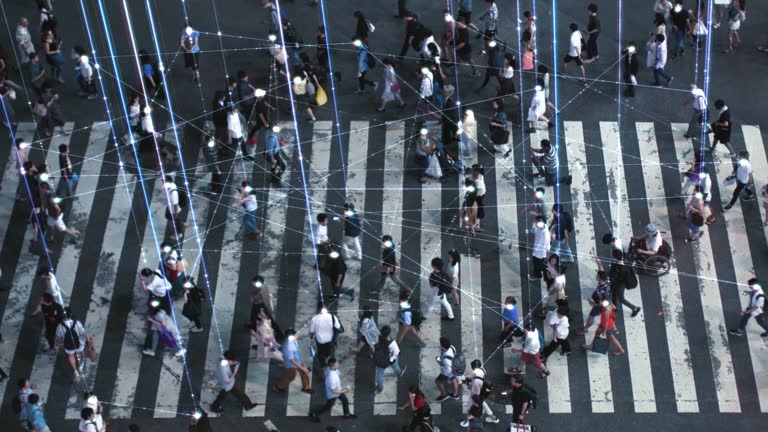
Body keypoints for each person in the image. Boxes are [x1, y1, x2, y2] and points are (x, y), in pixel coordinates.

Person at [308, 357, 357, 422]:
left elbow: (325, 375)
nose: (338, 364)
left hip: (338, 390)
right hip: (333, 394)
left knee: (345, 401)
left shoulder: (329, 369)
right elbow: (333, 391)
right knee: (328, 406)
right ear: (333, 367)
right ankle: (314, 414)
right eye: (336, 364)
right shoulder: (332, 377)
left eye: (337, 362)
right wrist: (345, 390)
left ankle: (346, 415)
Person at [599, 249, 641, 317]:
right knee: (614, 292)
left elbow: (616, 275)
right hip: (618, 281)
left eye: (613, 256)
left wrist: (605, 274)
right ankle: (614, 306)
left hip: (622, 282)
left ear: (615, 257)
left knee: (621, 298)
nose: (611, 257)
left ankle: (635, 308)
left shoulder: (621, 267)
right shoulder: (620, 261)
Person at [273, 328, 312, 393]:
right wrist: (302, 368)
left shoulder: (293, 340)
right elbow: (292, 361)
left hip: (298, 360)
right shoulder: (288, 346)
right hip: (292, 364)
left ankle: (306, 387)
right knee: (291, 377)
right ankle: (278, 387)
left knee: (304, 374)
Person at [461, 360, 499, 426]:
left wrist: (468, 385)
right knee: (483, 403)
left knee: (470, 405)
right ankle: (493, 418)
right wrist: (470, 379)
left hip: (478, 394)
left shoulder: (476, 382)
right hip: (484, 392)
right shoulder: (483, 369)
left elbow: (474, 395)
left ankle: (467, 421)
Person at [576, 270, 612, 335]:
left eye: (597, 276)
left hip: (599, 306)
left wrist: (594, 304)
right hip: (598, 301)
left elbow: (604, 303)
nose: (596, 276)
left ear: (600, 278)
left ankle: (585, 329)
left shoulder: (604, 290)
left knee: (591, 316)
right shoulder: (602, 283)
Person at [373, 325, 406, 392]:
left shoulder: (378, 338)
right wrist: (391, 359)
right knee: (395, 366)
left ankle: (380, 387)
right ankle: (400, 373)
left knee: (380, 374)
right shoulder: (392, 343)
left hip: (380, 360)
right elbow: (396, 352)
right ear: (389, 333)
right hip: (389, 359)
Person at [57, 307, 86, 377]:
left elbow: (59, 336)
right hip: (78, 343)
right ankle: (80, 365)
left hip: (68, 344)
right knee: (79, 353)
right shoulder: (76, 323)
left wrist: (61, 343)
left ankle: (75, 370)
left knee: (71, 355)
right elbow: (82, 332)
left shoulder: (60, 326)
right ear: (71, 314)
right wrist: (87, 338)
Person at [528, 215, 550, 280]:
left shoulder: (545, 234)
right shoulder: (540, 226)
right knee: (537, 264)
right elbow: (532, 229)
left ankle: (538, 275)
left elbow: (548, 244)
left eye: (536, 222)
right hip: (536, 250)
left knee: (537, 265)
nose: (535, 223)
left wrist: (547, 254)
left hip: (540, 253)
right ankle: (540, 273)